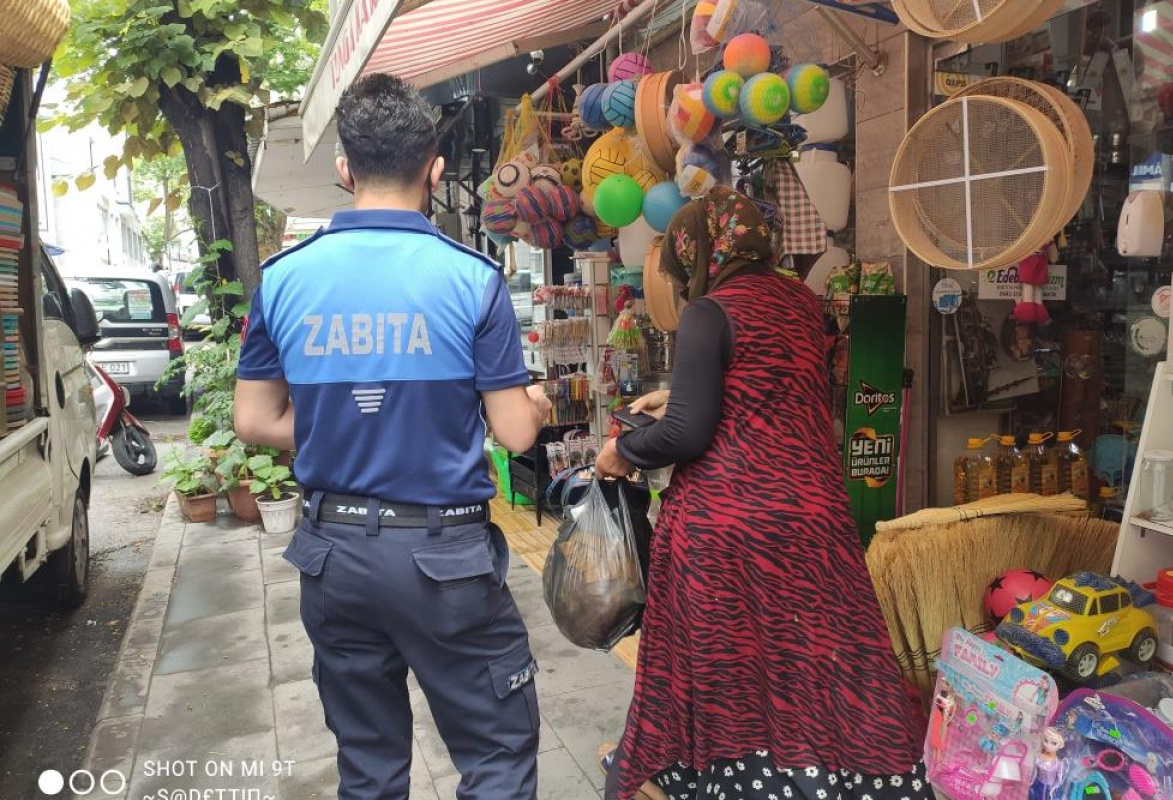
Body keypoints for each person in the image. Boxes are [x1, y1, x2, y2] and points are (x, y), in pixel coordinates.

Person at [234, 73, 551, 800]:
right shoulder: (472, 280)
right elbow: (512, 432)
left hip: (333, 557)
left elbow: (252, 421)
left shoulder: (284, 280)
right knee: (497, 757)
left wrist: (334, 427)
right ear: (435, 168)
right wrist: (530, 405)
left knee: (370, 769)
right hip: (445, 562)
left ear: (345, 169)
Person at [594, 187, 931, 800]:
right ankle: (835, 778)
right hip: (815, 513)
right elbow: (770, 388)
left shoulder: (710, 311)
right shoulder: (803, 303)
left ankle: (734, 779)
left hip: (731, 521)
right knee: (812, 652)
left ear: (698, 251)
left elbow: (687, 433)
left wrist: (622, 453)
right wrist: (677, 395)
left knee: (729, 660)